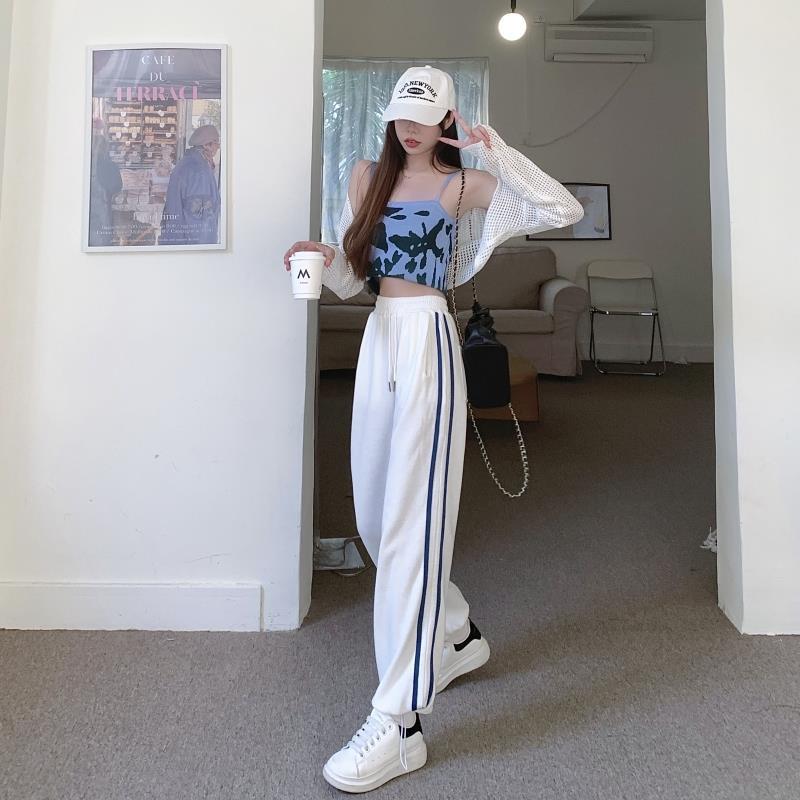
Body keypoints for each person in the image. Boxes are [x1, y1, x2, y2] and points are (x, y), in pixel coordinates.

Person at [283, 65, 584, 793]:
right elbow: (360, 279)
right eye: (401, 115)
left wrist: (494, 151)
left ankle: (400, 722)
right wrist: (322, 261)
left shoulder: (462, 185)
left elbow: (561, 207)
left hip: (430, 343)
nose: (409, 128)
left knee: (412, 529)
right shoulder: (365, 177)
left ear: (447, 120)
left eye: (424, 116)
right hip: (379, 337)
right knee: (375, 519)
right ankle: (453, 632)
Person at [159, 124, 221, 245]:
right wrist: (205, 250)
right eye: (216, 142)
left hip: (177, 239)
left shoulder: (188, 163)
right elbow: (200, 220)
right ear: (206, 145)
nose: (218, 146)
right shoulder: (199, 171)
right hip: (190, 244)